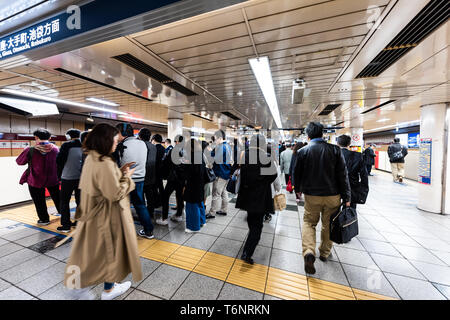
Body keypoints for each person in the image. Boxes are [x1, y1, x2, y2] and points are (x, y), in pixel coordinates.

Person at [64, 123, 142, 300]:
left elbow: (102, 184)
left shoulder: (92, 157)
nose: (116, 144)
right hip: (106, 215)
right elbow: (114, 193)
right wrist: (127, 178)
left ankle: (90, 286)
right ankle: (102, 289)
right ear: (105, 141)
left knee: (96, 252)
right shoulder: (104, 162)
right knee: (109, 253)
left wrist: (119, 173)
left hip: (92, 213)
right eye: (114, 141)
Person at [293, 122, 351, 275]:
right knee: (328, 224)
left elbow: (296, 173)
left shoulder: (303, 151)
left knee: (309, 222)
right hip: (333, 195)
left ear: (308, 135)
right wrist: (347, 197)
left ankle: (308, 252)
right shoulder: (335, 150)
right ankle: (324, 253)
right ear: (322, 134)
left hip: (312, 195)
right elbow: (343, 175)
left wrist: (297, 190)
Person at [236, 134, 277, 265]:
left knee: (251, 220)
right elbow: (272, 176)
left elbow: (239, 171)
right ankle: (247, 252)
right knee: (257, 226)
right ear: (263, 144)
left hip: (246, 194)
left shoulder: (244, 155)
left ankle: (249, 244)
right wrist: (262, 181)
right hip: (260, 195)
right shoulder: (266, 157)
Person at [116, 123, 154, 239]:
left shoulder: (122, 146)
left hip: (126, 180)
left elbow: (119, 165)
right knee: (140, 205)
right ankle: (148, 231)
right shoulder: (142, 143)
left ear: (122, 133)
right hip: (141, 179)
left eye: (117, 133)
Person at [16, 128, 60, 225]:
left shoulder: (30, 150)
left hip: (35, 179)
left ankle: (44, 220)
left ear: (36, 137)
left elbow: (19, 162)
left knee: (39, 200)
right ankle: (64, 216)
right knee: (58, 198)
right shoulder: (56, 149)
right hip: (53, 178)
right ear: (49, 137)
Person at [56, 129, 83, 232]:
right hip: (80, 177)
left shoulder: (66, 145)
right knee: (80, 201)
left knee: (64, 202)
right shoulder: (84, 145)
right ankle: (79, 222)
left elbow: (59, 161)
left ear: (68, 136)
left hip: (67, 177)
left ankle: (66, 226)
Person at [337, 135, 369, 209]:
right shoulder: (358, 155)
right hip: (352, 186)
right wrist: (364, 191)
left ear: (337, 143)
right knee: (349, 210)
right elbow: (364, 175)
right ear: (349, 143)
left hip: (335, 186)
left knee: (334, 210)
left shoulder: (333, 154)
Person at [181, 138, 207, 233]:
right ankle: (202, 221)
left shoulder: (192, 157)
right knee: (199, 203)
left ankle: (193, 227)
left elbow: (191, 172)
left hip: (192, 185)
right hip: (200, 183)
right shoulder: (200, 155)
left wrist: (185, 165)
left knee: (191, 206)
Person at [160, 135, 185, 224]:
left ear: (177, 142)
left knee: (165, 196)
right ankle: (179, 215)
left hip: (173, 178)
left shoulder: (173, 151)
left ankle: (164, 218)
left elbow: (165, 163)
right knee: (179, 196)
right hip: (182, 179)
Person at [207, 129, 232, 219]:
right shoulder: (228, 146)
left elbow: (215, 160)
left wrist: (211, 151)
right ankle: (224, 209)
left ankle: (212, 212)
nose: (215, 140)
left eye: (216, 138)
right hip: (226, 173)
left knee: (216, 194)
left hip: (220, 173)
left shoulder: (221, 147)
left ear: (220, 138)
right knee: (223, 192)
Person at [138, 128, 158, 220]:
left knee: (141, 195)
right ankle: (151, 212)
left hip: (142, 174)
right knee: (150, 195)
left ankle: (143, 214)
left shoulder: (140, 146)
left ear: (140, 136)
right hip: (151, 174)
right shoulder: (153, 146)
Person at [152, 134, 166, 208]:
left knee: (154, 187)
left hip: (154, 170)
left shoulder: (154, 148)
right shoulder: (163, 148)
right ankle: (162, 201)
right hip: (161, 170)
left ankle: (156, 202)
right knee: (160, 186)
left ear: (154, 139)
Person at [202, 141, 213, 212]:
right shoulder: (204, 154)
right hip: (206, 176)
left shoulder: (203, 154)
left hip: (204, 176)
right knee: (205, 192)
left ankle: (203, 206)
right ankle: (203, 205)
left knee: (204, 192)